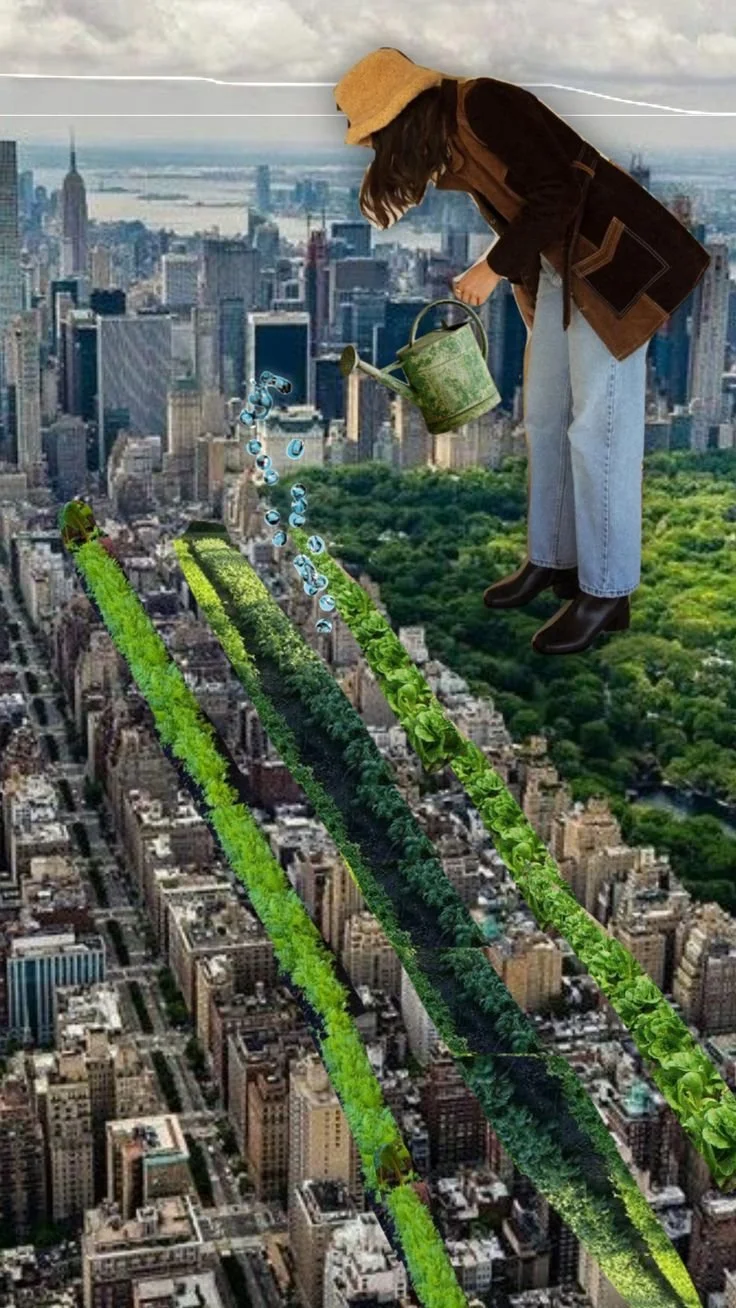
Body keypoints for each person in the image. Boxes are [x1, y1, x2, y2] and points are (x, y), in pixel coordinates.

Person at [333, 48, 710, 655]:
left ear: (404, 114)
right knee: (543, 417)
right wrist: (500, 268)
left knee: (599, 431)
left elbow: (559, 191)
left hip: (612, 270)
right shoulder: (458, 134)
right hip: (564, 270)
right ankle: (553, 560)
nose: (384, 150)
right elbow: (533, 209)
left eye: (380, 136)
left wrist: (493, 269)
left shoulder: (482, 104)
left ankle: (606, 594)